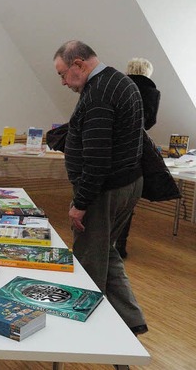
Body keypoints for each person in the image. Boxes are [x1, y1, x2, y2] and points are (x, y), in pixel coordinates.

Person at [53, 40, 147, 336]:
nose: (63, 82)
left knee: (88, 261)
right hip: (127, 183)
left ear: (78, 64)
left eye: (63, 74)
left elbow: (96, 159)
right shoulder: (119, 81)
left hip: (104, 192)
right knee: (105, 252)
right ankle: (132, 320)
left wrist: (80, 203)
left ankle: (85, 334)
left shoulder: (98, 94)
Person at [115, 58, 162, 258]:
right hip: (135, 149)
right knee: (128, 202)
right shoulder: (152, 93)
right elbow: (150, 123)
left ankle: (100, 241)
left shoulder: (118, 86)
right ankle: (120, 247)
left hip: (112, 145)